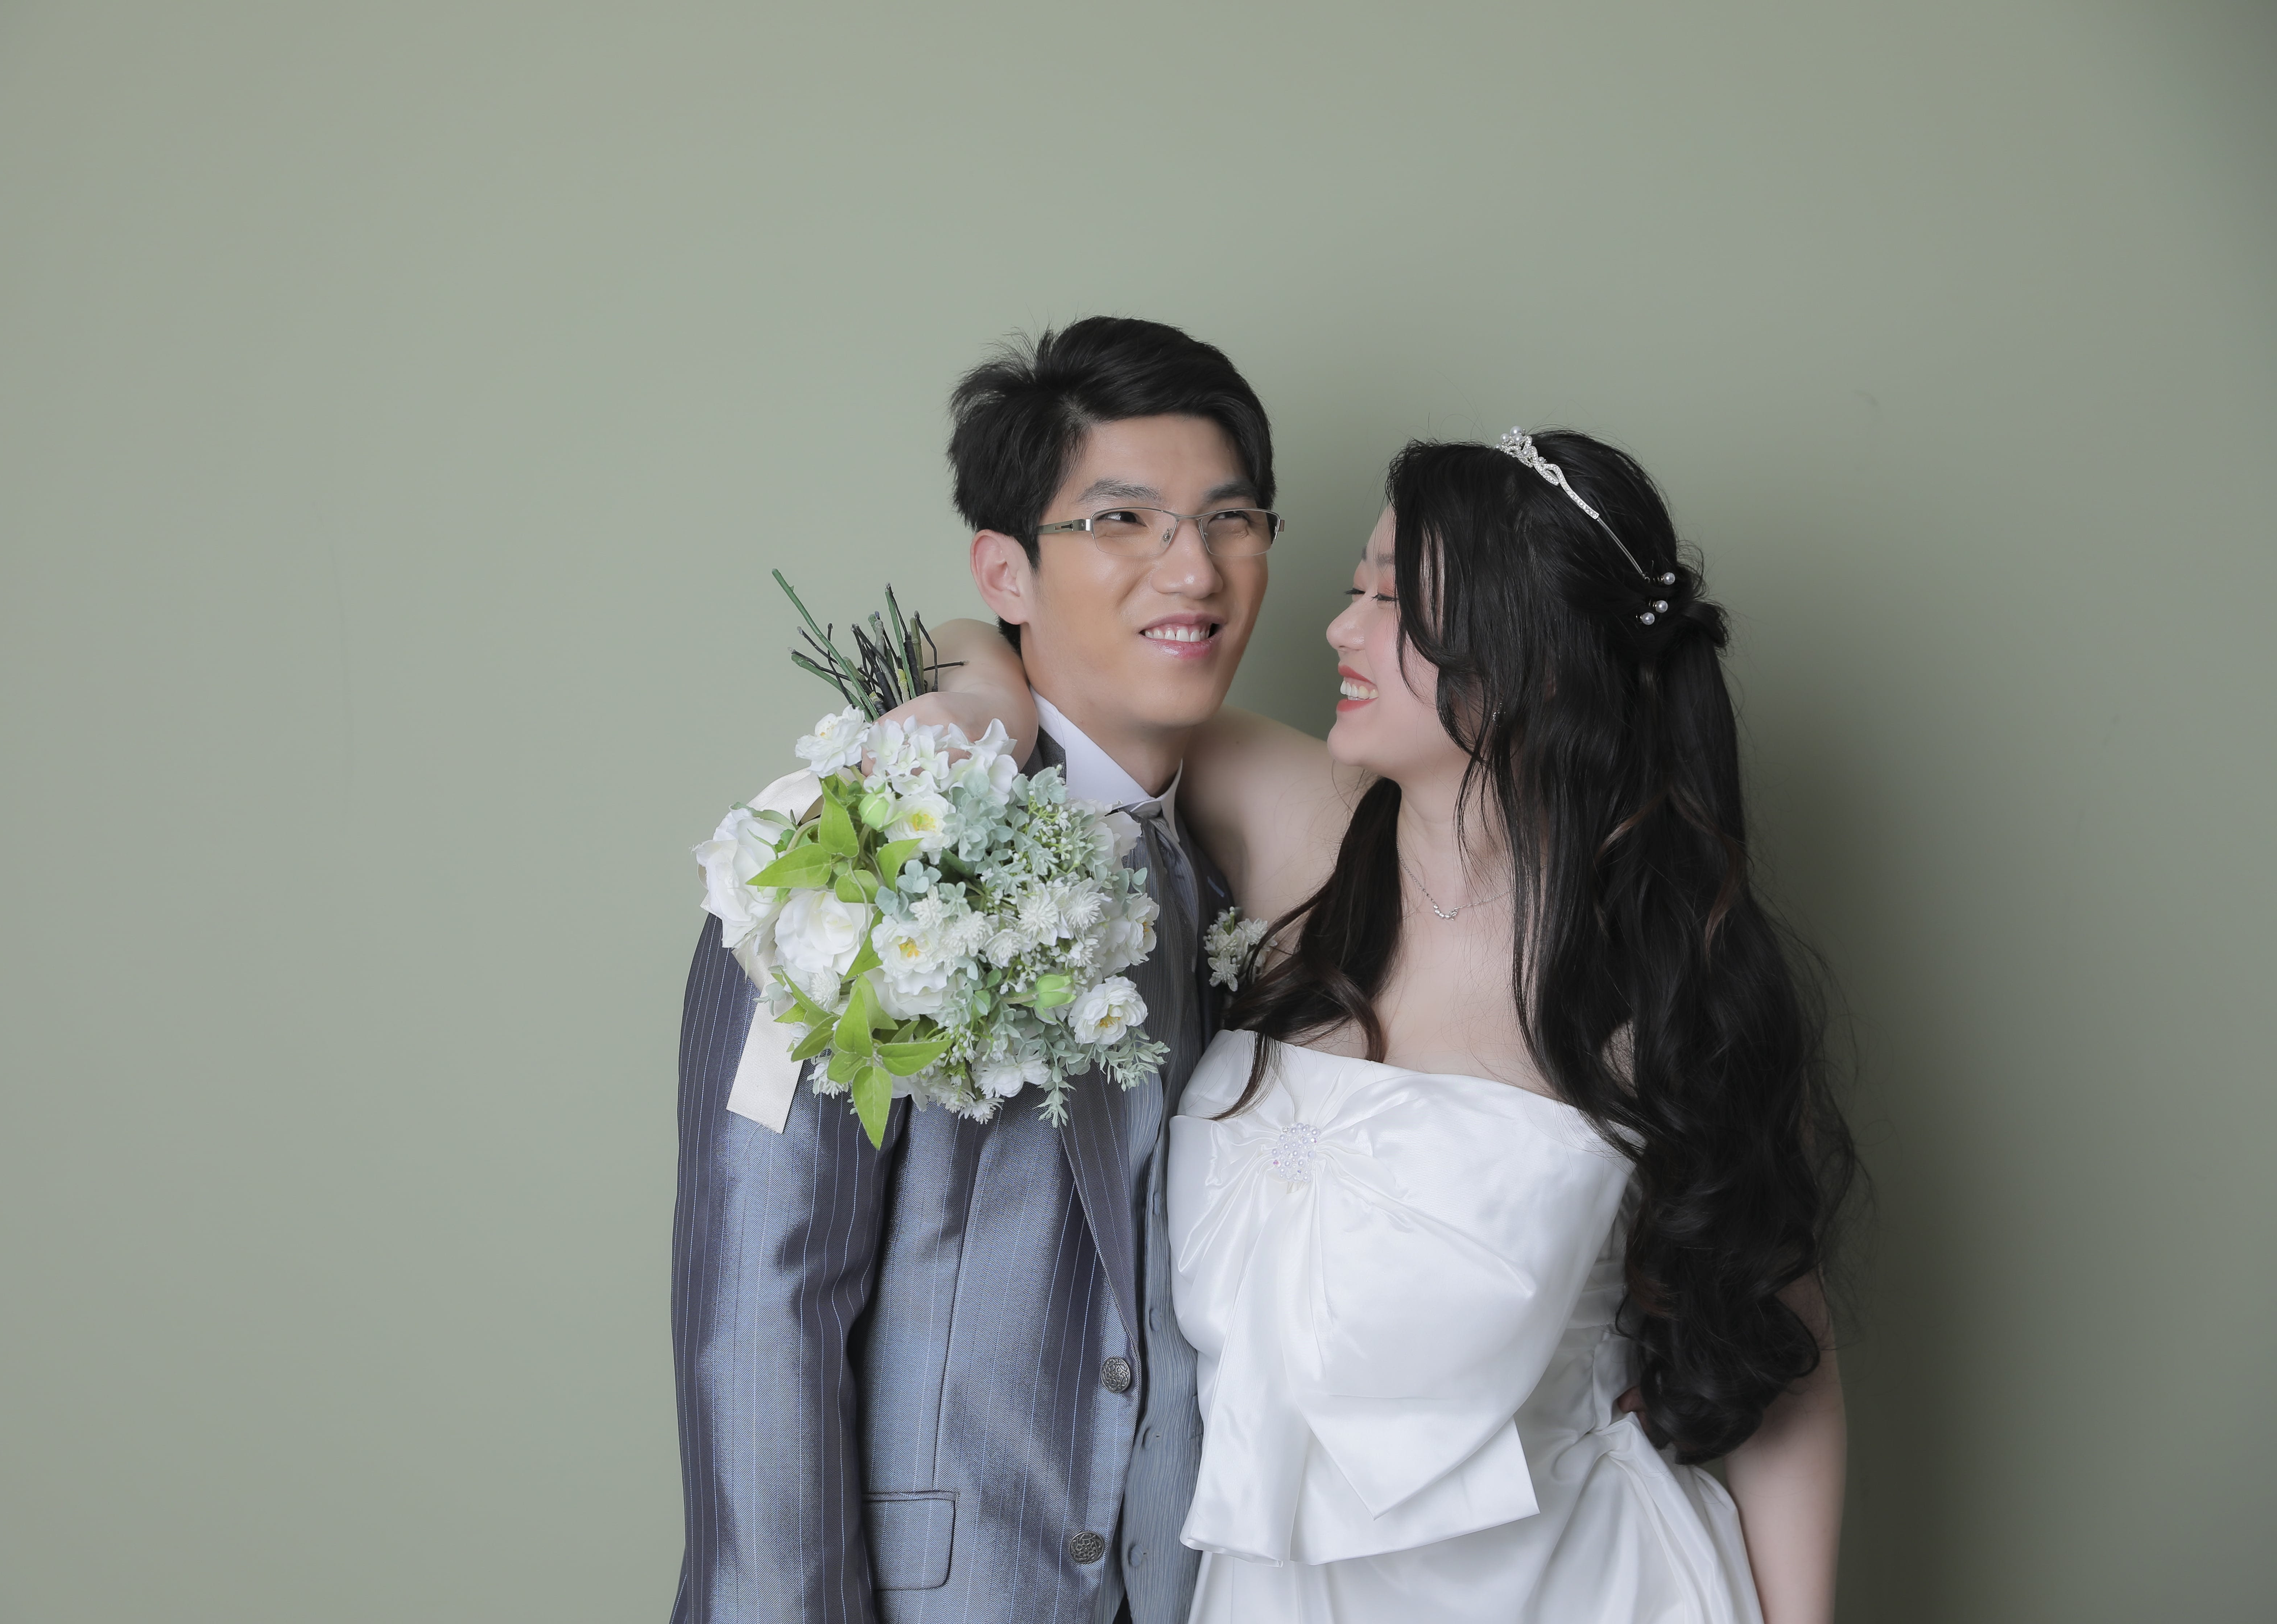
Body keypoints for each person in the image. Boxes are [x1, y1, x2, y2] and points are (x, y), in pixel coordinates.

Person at [923, 429, 1857, 1622]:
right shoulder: (1309, 838)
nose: (1339, 629)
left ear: (1539, 662)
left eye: (1391, 603)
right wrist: (979, 701)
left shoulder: (1663, 989)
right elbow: (1018, 644)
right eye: (1357, 587)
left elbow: (1782, 1367)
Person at [670, 316, 1280, 1624]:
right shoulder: (850, 850)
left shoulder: (1236, 874)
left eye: (1231, 520)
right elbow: (759, 1306)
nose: (1194, 570)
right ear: (1005, 570)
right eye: (1123, 520)